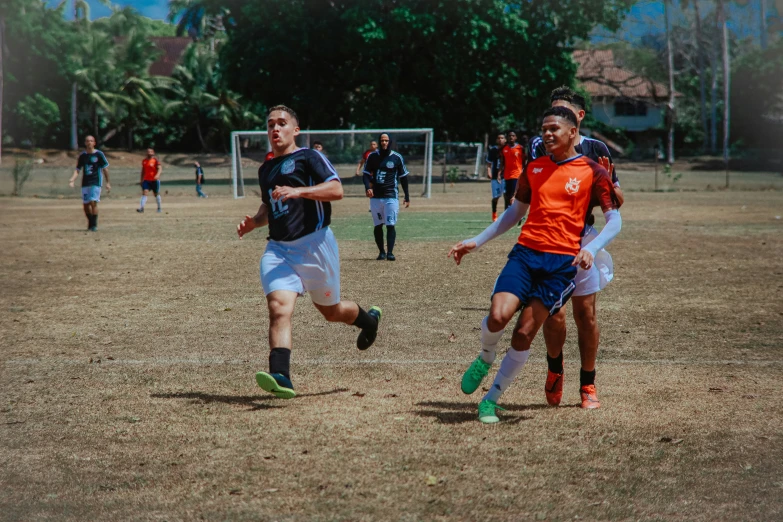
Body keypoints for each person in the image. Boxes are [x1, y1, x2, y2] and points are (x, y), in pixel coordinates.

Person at [448, 106, 621, 423]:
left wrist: (592, 248)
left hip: (560, 266)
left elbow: (615, 220)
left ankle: (490, 400)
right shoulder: (535, 168)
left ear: (572, 132)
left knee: (524, 334)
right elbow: (514, 214)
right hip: (526, 254)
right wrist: (476, 240)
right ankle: (486, 356)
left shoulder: (591, 171)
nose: (547, 134)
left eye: (554, 128)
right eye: (544, 129)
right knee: (498, 317)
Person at [237, 105, 382, 399]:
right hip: (279, 250)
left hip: (316, 246)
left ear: (295, 130)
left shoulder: (309, 157)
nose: (275, 129)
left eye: (281, 123)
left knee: (332, 312)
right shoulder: (265, 169)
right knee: (279, 308)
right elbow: (270, 207)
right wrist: (255, 221)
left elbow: (336, 190)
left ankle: (369, 321)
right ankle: (282, 375)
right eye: (270, 125)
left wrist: (299, 191)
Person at [528, 86, 625, 409]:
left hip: (582, 238)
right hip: (548, 241)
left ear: (578, 118)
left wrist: (607, 188)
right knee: (553, 315)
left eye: (561, 114)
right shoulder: (539, 147)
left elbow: (617, 202)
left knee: (586, 315)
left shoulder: (597, 149)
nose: (552, 123)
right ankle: (555, 370)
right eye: (550, 114)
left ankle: (588, 384)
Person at [362, 133, 410, 261]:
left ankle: (390, 252)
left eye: (386, 140)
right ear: (379, 142)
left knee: (390, 224)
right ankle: (381, 252)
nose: (384, 143)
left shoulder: (396, 157)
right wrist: (368, 188)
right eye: (382, 140)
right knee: (378, 225)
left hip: (391, 196)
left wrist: (407, 195)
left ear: (390, 142)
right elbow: (366, 174)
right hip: (376, 197)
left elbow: (403, 177)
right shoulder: (372, 157)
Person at [69, 135, 110, 231]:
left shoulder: (99, 154)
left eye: (91, 141)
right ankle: (91, 222)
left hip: (96, 182)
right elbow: (78, 169)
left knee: (93, 202)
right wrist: (72, 179)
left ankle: (94, 225)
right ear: (85, 143)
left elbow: (105, 169)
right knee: (86, 205)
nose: (89, 143)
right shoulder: (83, 156)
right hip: (85, 182)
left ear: (94, 143)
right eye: (87, 141)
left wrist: (108, 182)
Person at [498, 130, 524, 210]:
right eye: (509, 136)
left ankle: (518, 212)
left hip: (517, 174)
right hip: (507, 175)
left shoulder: (520, 148)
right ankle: (507, 211)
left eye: (513, 136)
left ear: (516, 137)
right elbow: (502, 162)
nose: (511, 137)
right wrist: (499, 173)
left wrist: (524, 171)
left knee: (515, 194)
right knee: (507, 194)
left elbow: (525, 160)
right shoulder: (504, 148)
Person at [485, 132, 507, 222]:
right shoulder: (493, 150)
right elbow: (489, 163)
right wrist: (489, 171)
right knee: (496, 197)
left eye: (502, 138)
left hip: (506, 176)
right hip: (495, 177)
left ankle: (507, 215)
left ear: (505, 140)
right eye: (499, 138)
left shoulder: (507, 149)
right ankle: (494, 213)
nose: (500, 140)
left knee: (507, 196)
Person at [138, 148, 162, 213]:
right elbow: (143, 171)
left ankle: (159, 207)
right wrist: (141, 180)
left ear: (153, 153)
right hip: (146, 180)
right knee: (145, 192)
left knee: (156, 194)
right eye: (148, 151)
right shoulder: (144, 161)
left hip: (154, 180)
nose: (149, 153)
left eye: (151, 151)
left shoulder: (155, 161)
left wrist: (157, 175)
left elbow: (160, 168)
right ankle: (141, 208)